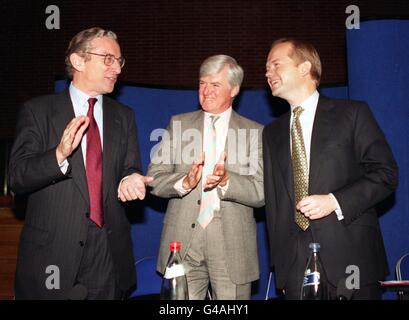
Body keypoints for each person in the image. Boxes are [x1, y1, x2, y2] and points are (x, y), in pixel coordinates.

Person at [9, 27, 152, 299]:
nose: (117, 69)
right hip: (52, 257)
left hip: (108, 255)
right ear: (78, 61)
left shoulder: (124, 116)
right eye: (107, 58)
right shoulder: (38, 111)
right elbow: (17, 177)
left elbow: (128, 167)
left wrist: (130, 178)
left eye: (119, 61)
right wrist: (58, 155)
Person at [263, 38, 398, 299]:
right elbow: (274, 201)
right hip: (294, 269)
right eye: (267, 68)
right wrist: (281, 268)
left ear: (304, 68)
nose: (268, 73)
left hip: (352, 259)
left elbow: (386, 174)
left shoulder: (352, 113)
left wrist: (335, 201)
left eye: (276, 64)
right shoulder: (272, 133)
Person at [147, 55, 264, 300]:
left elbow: (261, 192)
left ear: (234, 89)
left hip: (232, 246)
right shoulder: (178, 124)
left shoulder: (255, 132)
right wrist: (184, 182)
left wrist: (227, 181)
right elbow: (154, 178)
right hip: (182, 243)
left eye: (215, 85)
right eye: (202, 83)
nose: (206, 91)